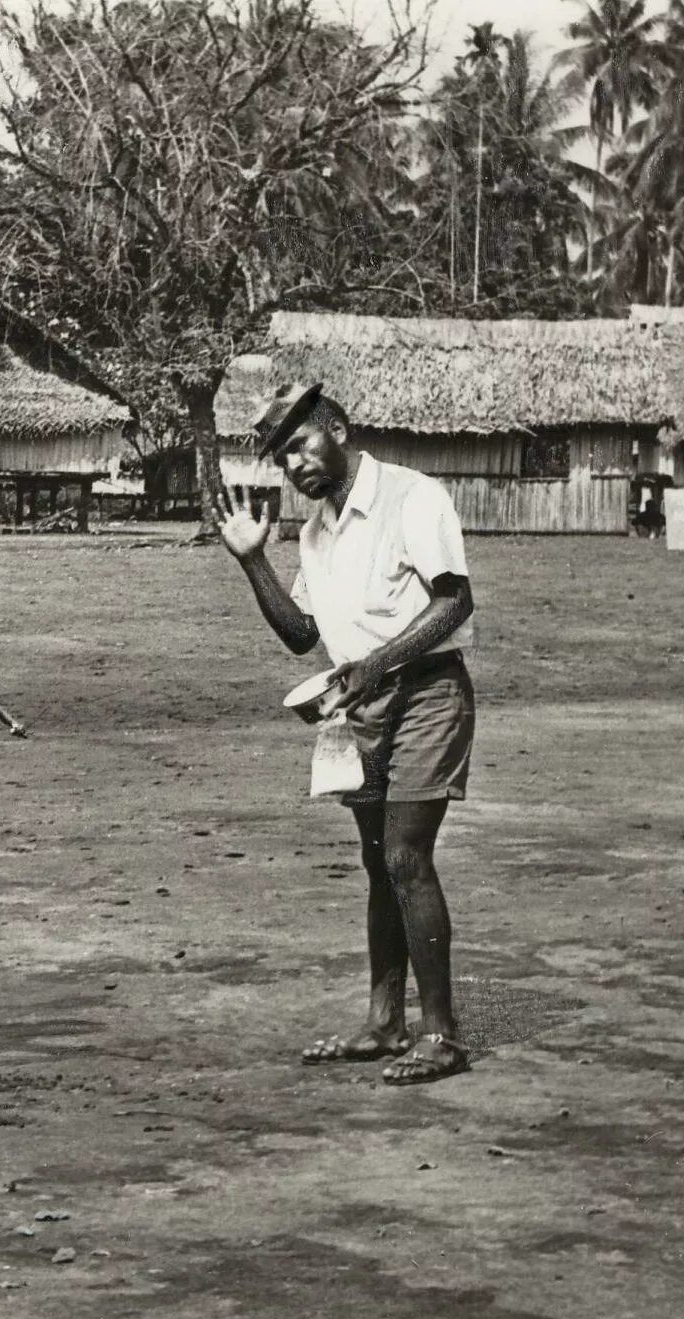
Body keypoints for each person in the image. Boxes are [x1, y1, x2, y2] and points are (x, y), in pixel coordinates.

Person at [210, 383, 478, 1085]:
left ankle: (441, 1034)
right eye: (282, 456)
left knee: (405, 854)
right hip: (358, 706)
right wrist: (252, 559)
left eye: (301, 443)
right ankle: (386, 1024)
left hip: (426, 693)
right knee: (375, 861)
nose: (295, 464)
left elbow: (455, 600)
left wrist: (379, 662)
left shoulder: (413, 498)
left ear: (338, 427)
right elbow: (303, 635)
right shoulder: (317, 530)